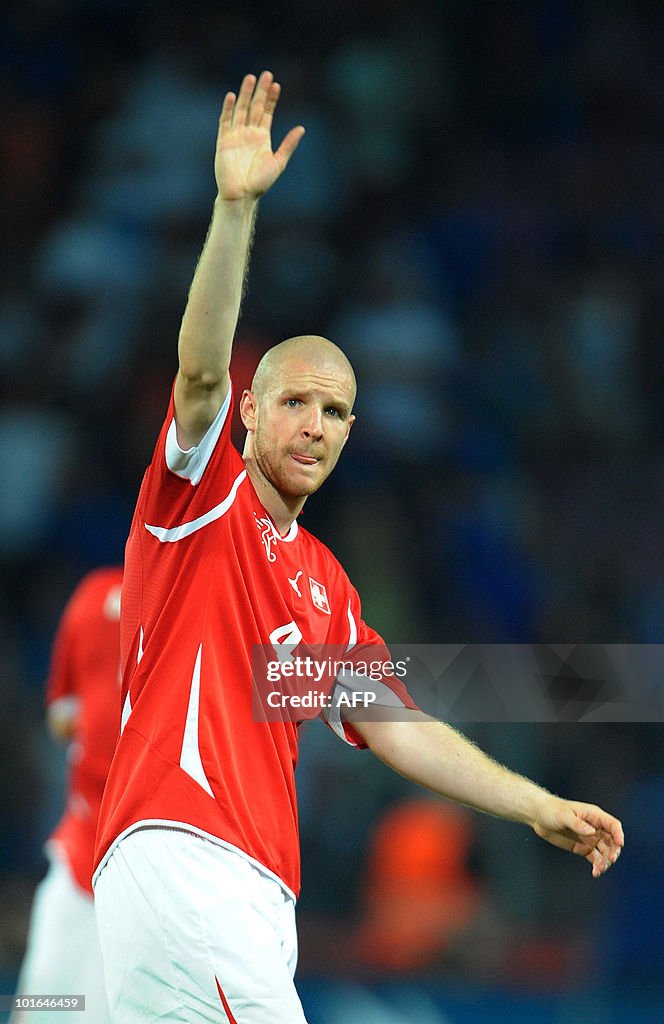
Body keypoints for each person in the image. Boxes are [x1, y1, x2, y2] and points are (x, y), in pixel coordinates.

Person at [92, 72, 624, 1024]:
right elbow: (201, 367)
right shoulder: (198, 501)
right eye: (294, 400)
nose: (315, 425)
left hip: (233, 892)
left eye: (335, 411)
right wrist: (233, 207)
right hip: (192, 860)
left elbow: (395, 725)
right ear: (253, 412)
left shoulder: (326, 588)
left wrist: (534, 805)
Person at [11, 567, 122, 1024]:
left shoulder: (239, 605)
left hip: (173, 883)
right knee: (42, 1011)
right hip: (82, 865)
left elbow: (64, 718)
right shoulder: (97, 597)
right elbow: (65, 718)